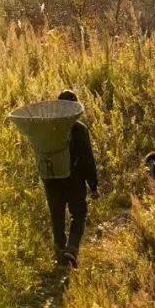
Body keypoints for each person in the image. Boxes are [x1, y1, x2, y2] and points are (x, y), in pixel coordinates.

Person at [44, 89, 99, 267]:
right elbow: (87, 159)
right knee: (79, 214)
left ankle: (60, 252)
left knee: (57, 215)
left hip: (52, 180)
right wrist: (93, 185)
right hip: (74, 179)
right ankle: (72, 249)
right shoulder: (79, 129)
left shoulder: (47, 128)